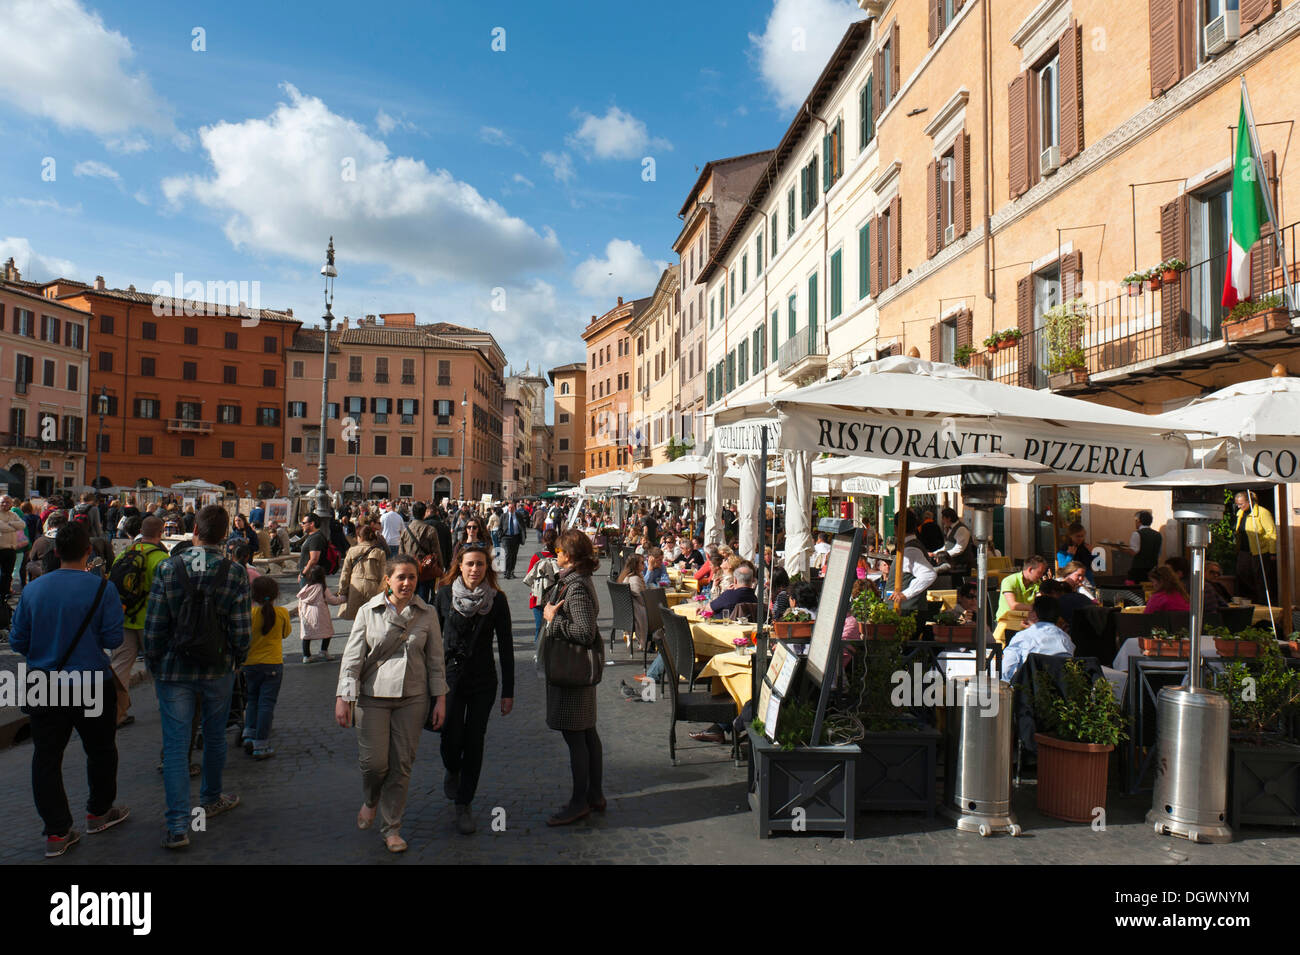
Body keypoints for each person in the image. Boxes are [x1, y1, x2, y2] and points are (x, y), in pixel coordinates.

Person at [10, 521, 129, 857]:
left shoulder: (32, 590)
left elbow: (18, 641)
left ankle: (57, 832)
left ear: (56, 552)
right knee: (101, 750)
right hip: (91, 681)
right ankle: (99, 812)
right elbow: (113, 639)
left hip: (44, 683)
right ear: (88, 552)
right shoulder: (102, 589)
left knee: (46, 758)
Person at [144, 504, 251, 850]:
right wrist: (238, 658)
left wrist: (155, 661)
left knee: (176, 747)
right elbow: (241, 630)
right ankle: (211, 799)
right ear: (224, 536)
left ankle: (178, 827)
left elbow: (156, 624)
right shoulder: (234, 572)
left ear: (194, 531)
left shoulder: (168, 568)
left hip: (174, 670)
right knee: (215, 735)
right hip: (218, 668)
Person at [334, 554, 448, 853]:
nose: (407, 583)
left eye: (412, 577)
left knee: (402, 765)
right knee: (374, 765)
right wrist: (343, 698)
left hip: (413, 697)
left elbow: (437, 662)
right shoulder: (368, 612)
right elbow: (352, 658)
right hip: (372, 697)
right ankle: (371, 799)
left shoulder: (428, 614)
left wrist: (440, 700)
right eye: (401, 577)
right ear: (388, 579)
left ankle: (391, 828)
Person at [433, 543, 514, 834]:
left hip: (483, 679)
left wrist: (508, 692)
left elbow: (506, 648)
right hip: (450, 678)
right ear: (460, 566)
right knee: (451, 737)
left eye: (480, 564)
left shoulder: (498, 600)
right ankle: (452, 767)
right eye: (470, 564)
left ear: (486, 568)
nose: (475, 569)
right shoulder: (443, 595)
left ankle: (464, 803)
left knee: (475, 740)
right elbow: (432, 642)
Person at [540, 529, 604, 826]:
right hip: (576, 671)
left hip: (572, 670)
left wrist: (554, 621)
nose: (557, 555)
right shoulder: (578, 581)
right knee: (587, 733)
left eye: (561, 552)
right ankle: (594, 794)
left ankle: (580, 801)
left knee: (576, 736)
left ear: (572, 555)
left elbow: (584, 632)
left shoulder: (576, 586)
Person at [109, 516, 169, 728]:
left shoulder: (124, 554)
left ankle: (116, 713)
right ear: (160, 533)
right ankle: (167, 711)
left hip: (124, 618)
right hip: (150, 622)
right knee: (158, 669)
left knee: (119, 668)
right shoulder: (162, 559)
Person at [243, 575, 289, 760]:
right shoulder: (282, 613)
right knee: (266, 704)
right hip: (273, 664)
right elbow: (286, 634)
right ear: (276, 594)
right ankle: (261, 744)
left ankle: (249, 732)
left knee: (252, 700)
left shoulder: (248, 614)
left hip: (250, 664)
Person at [999, 595, 1075, 683]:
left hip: (1028, 691)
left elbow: (1006, 670)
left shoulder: (1022, 637)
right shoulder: (1066, 639)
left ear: (1034, 614)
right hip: (1059, 692)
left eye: (1030, 611)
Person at [887, 512, 939, 614]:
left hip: (907, 610)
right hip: (904, 608)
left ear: (896, 528)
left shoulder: (910, 550)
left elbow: (929, 574)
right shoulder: (909, 547)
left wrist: (905, 594)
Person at [338, 524, 389, 623]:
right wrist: (383, 591)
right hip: (372, 586)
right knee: (371, 618)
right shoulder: (380, 552)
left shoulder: (352, 551)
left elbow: (345, 573)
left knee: (357, 619)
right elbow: (383, 575)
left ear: (359, 537)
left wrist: (342, 591)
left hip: (355, 586)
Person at [1234, 490, 1278, 604]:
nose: (1239, 506)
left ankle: (1263, 602)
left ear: (1249, 501)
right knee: (1242, 575)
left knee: (1260, 578)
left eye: (1241, 504)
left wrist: (1272, 552)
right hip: (1244, 551)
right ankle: (1250, 600)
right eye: (1237, 504)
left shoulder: (1262, 513)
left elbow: (1271, 532)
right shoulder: (1240, 513)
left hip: (1259, 551)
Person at [298, 565, 345, 663]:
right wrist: (343, 598)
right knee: (327, 632)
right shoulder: (322, 588)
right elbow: (333, 600)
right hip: (320, 614)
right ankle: (323, 651)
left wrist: (301, 614)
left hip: (306, 614)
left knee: (307, 635)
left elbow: (300, 602)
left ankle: (306, 656)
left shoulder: (306, 588)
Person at [399, 501, 443, 602]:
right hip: (426, 569)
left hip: (409, 569)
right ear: (424, 513)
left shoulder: (406, 531)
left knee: (409, 598)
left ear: (413, 513)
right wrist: (441, 566)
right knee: (423, 599)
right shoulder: (431, 530)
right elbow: (436, 551)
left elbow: (401, 552)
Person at [525, 529, 560, 642]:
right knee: (555, 629)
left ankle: (538, 654)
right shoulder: (560, 556)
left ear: (543, 540)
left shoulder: (537, 556)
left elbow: (529, 576)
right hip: (556, 597)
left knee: (539, 629)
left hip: (538, 597)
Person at [618, 554, 651, 652]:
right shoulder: (635, 579)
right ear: (635, 565)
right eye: (642, 562)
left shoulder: (625, 576)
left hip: (624, 611)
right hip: (635, 611)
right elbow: (641, 600)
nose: (644, 564)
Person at [930, 507, 974, 573]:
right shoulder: (952, 529)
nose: (942, 521)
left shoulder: (961, 529)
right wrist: (935, 553)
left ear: (949, 518)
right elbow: (947, 546)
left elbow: (959, 549)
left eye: (943, 518)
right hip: (954, 565)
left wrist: (942, 555)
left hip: (961, 566)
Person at [1126, 510, 1163, 586]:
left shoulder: (1137, 534)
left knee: (1137, 593)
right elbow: (1159, 553)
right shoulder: (1158, 535)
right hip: (1153, 570)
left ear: (1138, 521)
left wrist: (1120, 548)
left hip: (1138, 571)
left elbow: (1133, 552)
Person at [0, 495, 26, 595]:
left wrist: (8, 523)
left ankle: (5, 593)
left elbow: (22, 525)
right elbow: (1, 527)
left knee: (8, 574)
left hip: (11, 549)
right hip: (1, 548)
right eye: (3, 502)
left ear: (11, 504)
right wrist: (14, 526)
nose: (5, 504)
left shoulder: (13, 514)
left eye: (8, 502)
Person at [297, 513, 329, 584]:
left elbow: (314, 559)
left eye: (303, 523)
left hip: (311, 576)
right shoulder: (312, 536)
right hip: (309, 574)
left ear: (312, 524)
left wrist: (303, 574)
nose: (302, 525)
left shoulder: (316, 538)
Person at [501, 501, 526, 579]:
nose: (510, 509)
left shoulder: (518, 515)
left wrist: (524, 536)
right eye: (509, 507)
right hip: (506, 537)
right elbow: (500, 527)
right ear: (508, 508)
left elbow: (522, 526)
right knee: (508, 554)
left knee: (514, 555)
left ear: (514, 508)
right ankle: (506, 571)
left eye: (512, 508)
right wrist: (500, 536)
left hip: (516, 537)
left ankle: (512, 571)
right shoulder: (503, 516)